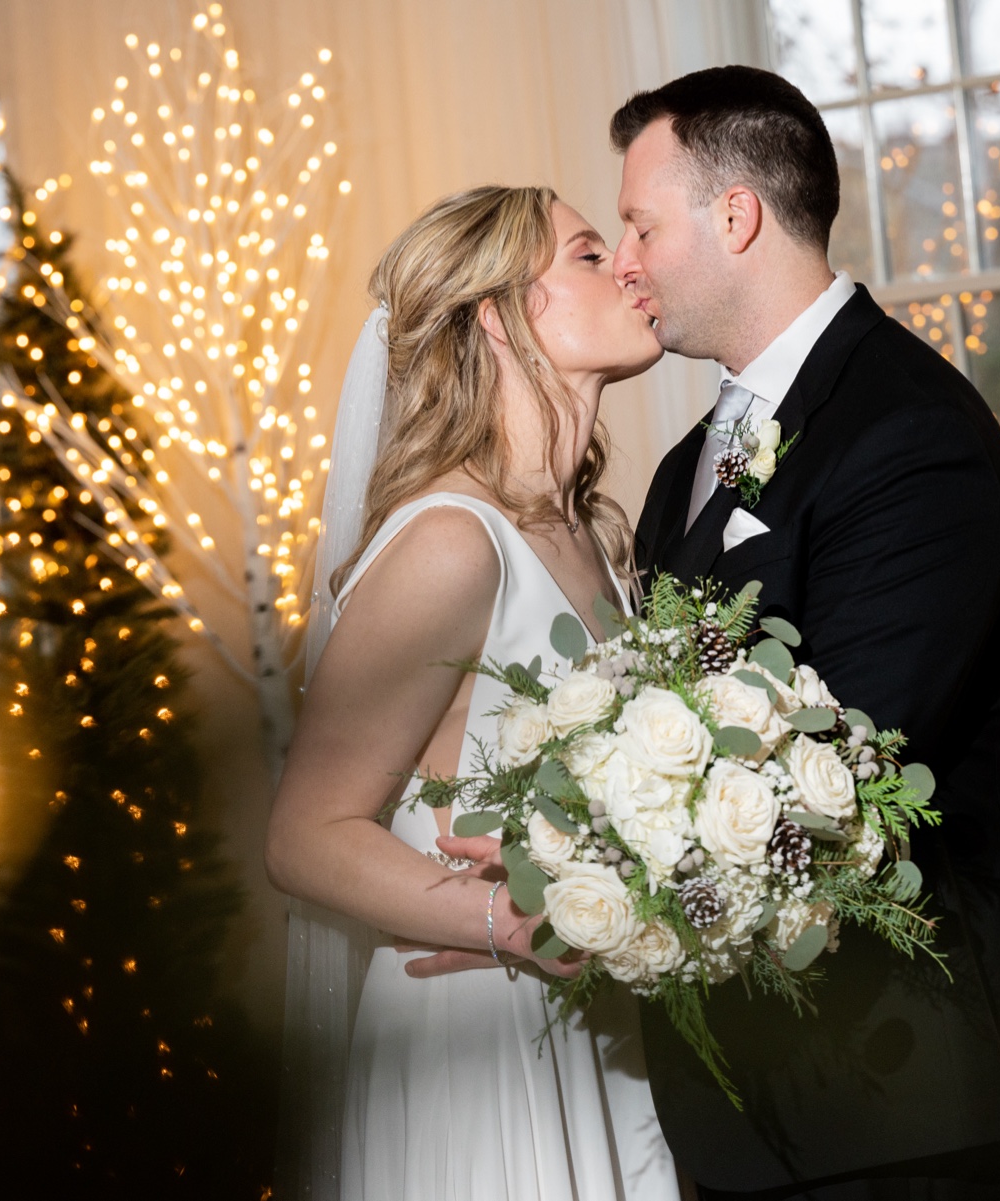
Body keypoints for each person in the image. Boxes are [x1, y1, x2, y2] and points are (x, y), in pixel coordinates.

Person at [597, 65, 1000, 1200]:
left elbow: (850, 765)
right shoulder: (692, 460)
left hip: (889, 1086)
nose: (626, 260)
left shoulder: (909, 435)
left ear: (735, 216)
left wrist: (589, 886)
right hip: (751, 1092)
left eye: (638, 223)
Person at [264, 185, 683, 1201]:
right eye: (589, 254)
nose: (629, 267)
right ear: (499, 317)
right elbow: (305, 834)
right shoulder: (451, 543)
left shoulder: (593, 532)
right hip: (481, 1032)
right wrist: (511, 921)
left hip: (602, 1023)